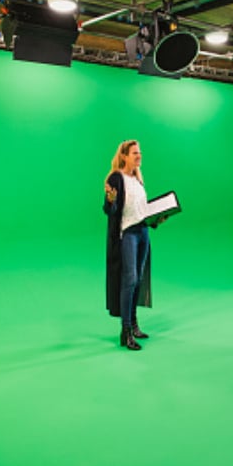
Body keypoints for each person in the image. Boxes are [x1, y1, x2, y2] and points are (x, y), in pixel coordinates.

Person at [103, 139, 152, 351]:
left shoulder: (138, 179)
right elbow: (109, 209)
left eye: (139, 152)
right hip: (128, 234)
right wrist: (111, 200)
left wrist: (158, 217)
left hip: (143, 232)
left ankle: (134, 323)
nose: (139, 155)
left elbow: (142, 208)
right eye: (135, 153)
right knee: (129, 279)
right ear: (124, 156)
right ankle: (125, 331)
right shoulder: (117, 178)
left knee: (139, 278)